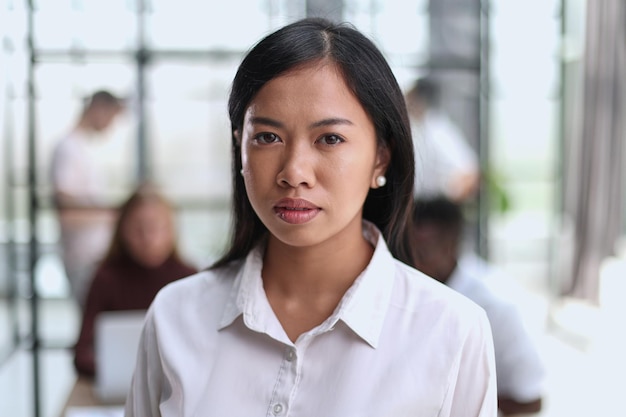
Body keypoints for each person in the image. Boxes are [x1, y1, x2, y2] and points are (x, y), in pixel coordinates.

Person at [126, 18, 497, 416]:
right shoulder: (175, 316)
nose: (294, 172)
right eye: (267, 137)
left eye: (330, 139)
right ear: (240, 148)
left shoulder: (452, 331)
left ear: (380, 157)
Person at [411, 197, 546, 416]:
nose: (413, 262)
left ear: (450, 245)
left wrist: (455, 398)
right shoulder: (407, 293)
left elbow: (531, 399)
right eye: (407, 252)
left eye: (423, 252)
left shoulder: (495, 304)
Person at [73, 184, 197, 377]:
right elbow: (81, 353)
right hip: (117, 389)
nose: (149, 238)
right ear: (122, 230)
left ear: (171, 230)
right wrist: (114, 372)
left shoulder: (190, 278)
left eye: (157, 227)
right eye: (139, 229)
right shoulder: (105, 278)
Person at [51, 90, 125, 308]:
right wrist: (113, 216)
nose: (111, 126)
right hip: (83, 258)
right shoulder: (68, 149)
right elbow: (68, 214)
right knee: (93, 326)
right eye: (112, 118)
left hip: (92, 257)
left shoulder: (80, 148)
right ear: (98, 109)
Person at [406, 77, 480, 202]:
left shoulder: (438, 129)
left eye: (410, 95)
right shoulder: (414, 126)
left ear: (419, 99)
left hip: (429, 207)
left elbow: (469, 174)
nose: (405, 99)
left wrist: (444, 198)